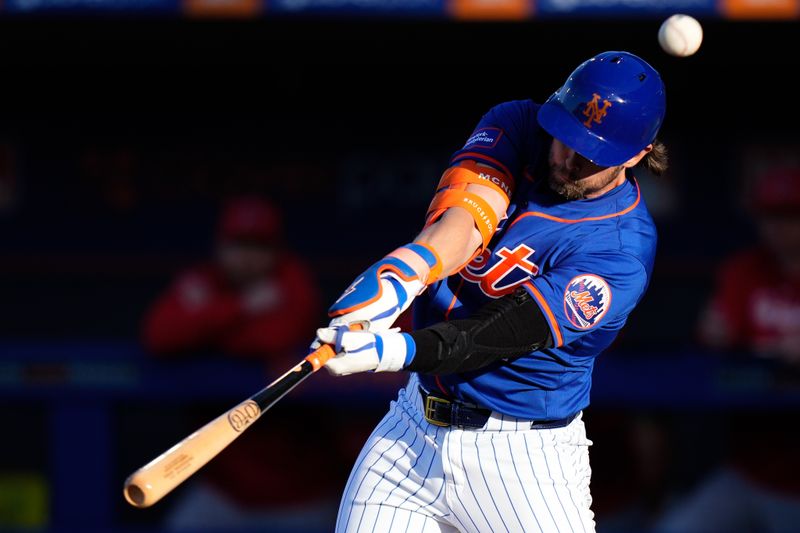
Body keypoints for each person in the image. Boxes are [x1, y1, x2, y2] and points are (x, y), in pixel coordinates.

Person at [313, 51, 668, 532]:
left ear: (635, 156)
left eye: (589, 153)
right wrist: (403, 276)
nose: (565, 157)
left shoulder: (621, 249)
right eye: (564, 137)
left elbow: (494, 335)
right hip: (412, 431)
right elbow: (466, 218)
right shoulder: (520, 125)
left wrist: (391, 348)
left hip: (523, 458)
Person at [143, 196, 330, 530]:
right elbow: (160, 334)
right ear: (219, 246)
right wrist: (243, 308)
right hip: (225, 490)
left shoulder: (293, 280)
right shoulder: (202, 280)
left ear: (275, 251)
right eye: (238, 244)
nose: (246, 257)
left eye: (258, 246)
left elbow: (269, 340)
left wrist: (203, 326)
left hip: (299, 492)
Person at [656, 167, 800, 532]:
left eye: (790, 216)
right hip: (749, 469)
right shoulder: (745, 269)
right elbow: (715, 337)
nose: (779, 228)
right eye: (771, 216)